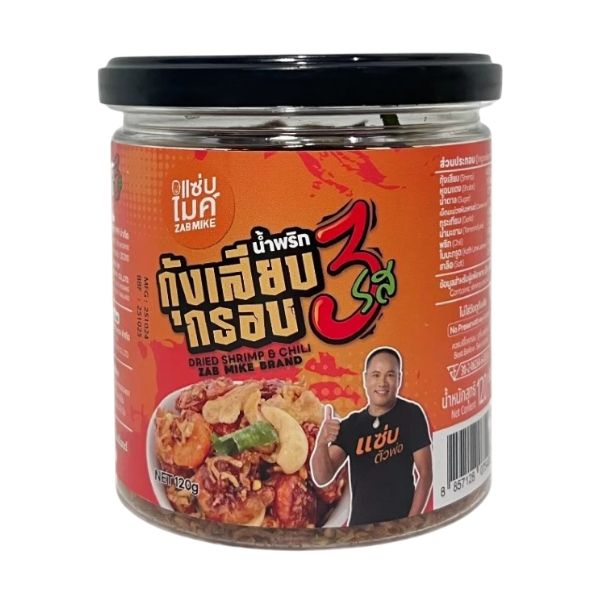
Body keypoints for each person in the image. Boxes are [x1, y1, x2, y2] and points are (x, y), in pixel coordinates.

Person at [311, 347, 433, 526]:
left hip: (399, 524)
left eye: (390, 375)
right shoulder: (351, 425)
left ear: (399, 379)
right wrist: (321, 442)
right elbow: (323, 477)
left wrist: (411, 522)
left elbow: (425, 473)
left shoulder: (411, 414)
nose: (382, 382)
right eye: (376, 375)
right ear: (365, 379)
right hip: (360, 528)